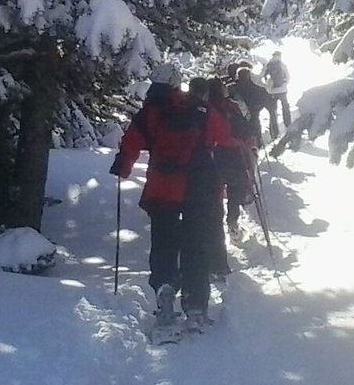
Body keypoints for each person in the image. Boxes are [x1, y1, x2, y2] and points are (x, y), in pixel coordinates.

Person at [110, 62, 234, 333]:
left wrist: (123, 166)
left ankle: (165, 295)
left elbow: (130, 144)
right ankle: (196, 307)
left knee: (164, 244)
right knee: (196, 246)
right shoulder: (199, 108)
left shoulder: (149, 113)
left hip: (162, 189)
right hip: (198, 189)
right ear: (178, 83)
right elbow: (224, 136)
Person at [208, 77, 259, 243]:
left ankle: (214, 229)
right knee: (234, 190)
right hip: (233, 155)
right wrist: (251, 144)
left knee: (214, 192)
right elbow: (244, 129)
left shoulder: (204, 109)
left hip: (211, 156)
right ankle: (232, 223)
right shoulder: (231, 106)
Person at [231, 64, 274, 140]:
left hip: (238, 118)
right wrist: (259, 107)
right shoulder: (255, 88)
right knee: (255, 131)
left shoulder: (233, 88)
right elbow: (265, 97)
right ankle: (257, 142)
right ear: (249, 76)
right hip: (253, 115)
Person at [263, 50, 292, 134]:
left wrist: (268, 87)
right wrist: (284, 85)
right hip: (282, 90)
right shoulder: (282, 65)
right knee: (285, 107)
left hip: (272, 91)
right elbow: (288, 77)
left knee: (273, 111)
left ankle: (274, 131)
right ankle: (288, 125)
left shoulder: (268, 65)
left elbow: (263, 77)